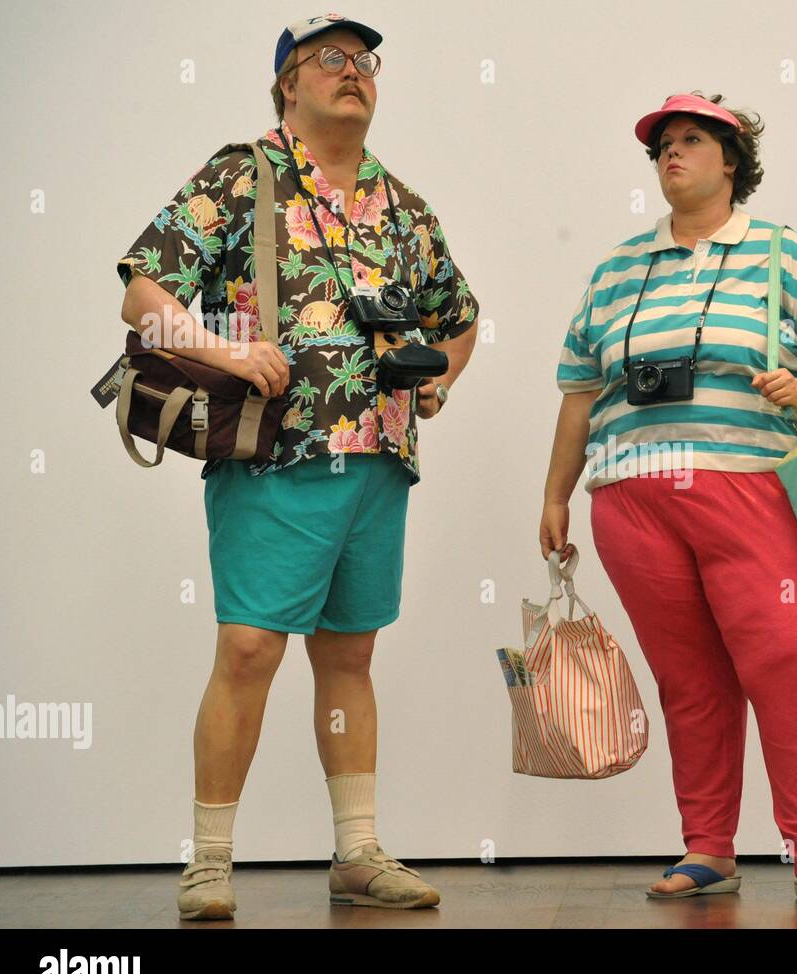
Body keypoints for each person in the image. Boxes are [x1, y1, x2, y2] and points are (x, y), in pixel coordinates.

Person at [116, 13, 479, 919]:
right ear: (286, 82)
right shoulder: (243, 173)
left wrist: (438, 384)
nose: (353, 72)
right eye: (330, 58)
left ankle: (357, 852)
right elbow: (141, 295)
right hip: (274, 453)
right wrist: (229, 353)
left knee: (350, 655)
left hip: (380, 461)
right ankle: (208, 861)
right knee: (247, 648)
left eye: (365, 61)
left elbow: (460, 315)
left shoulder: (407, 207)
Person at [541, 93, 797, 904]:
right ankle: (708, 845)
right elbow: (581, 389)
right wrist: (557, 492)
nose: (672, 156)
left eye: (691, 141)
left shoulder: (783, 255)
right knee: (690, 680)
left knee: (790, 661)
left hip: (752, 490)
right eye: (662, 147)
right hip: (632, 498)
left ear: (732, 161)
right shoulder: (617, 268)